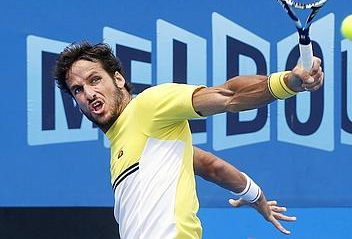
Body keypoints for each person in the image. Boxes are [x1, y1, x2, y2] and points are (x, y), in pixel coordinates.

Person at [53, 41, 324, 239]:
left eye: (95, 79)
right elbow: (209, 166)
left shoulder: (149, 106)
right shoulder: (131, 143)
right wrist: (254, 195)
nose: (89, 93)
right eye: (78, 89)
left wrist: (288, 82)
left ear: (119, 79)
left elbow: (227, 95)